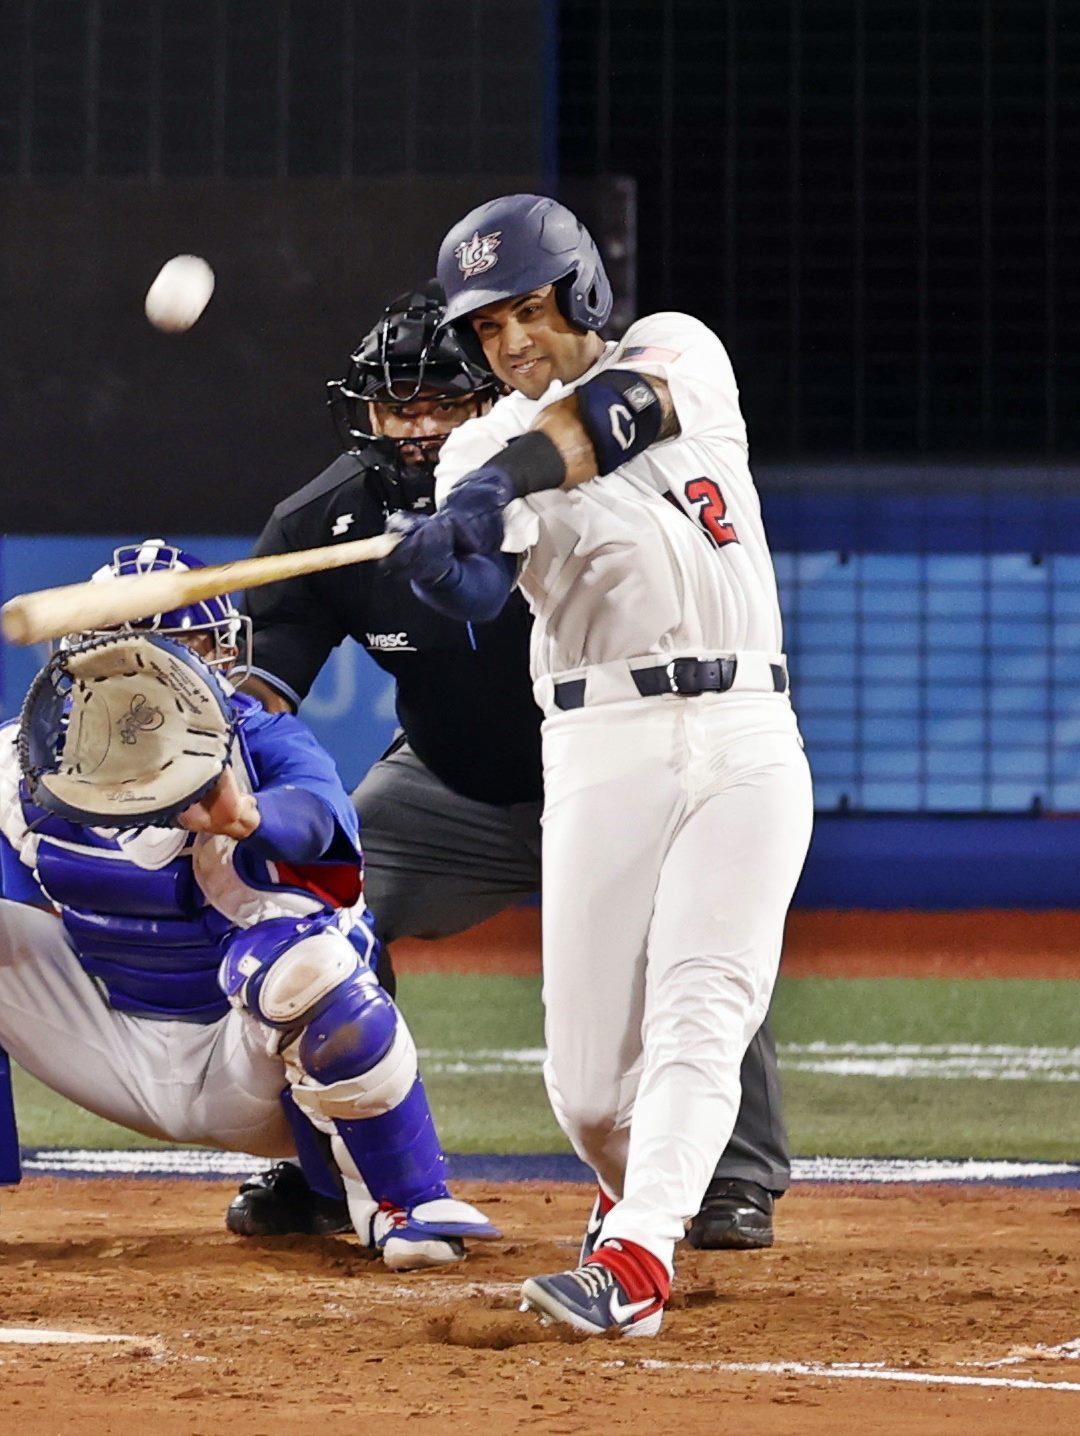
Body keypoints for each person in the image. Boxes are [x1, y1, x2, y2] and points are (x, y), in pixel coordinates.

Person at [226, 283, 795, 1254]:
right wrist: (200, 733)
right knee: (314, 906)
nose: (416, 425)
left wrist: (469, 529)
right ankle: (335, 1157)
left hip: (616, 766)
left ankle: (729, 1175)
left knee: (699, 935)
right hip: (449, 786)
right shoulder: (322, 522)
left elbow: (507, 569)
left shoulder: (553, 462)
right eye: (393, 404)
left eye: (440, 401)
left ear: (489, 395)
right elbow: (263, 696)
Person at [0, 541, 498, 1272]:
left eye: (192, 648)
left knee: (301, 968)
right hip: (111, 1043)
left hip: (252, 1066)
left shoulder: (261, 743)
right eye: (157, 650)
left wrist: (244, 816)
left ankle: (405, 1203)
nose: (178, 672)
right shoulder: (16, 763)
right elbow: (33, 916)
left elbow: (318, 824)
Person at [387, 195, 814, 1335]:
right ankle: (634, 1197)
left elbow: (616, 416)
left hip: (746, 730)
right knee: (585, 1088)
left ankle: (636, 1257)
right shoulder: (474, 446)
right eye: (487, 326)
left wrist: (503, 480)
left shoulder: (677, 350)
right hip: (601, 740)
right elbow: (486, 585)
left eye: (528, 309)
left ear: (580, 292)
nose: (512, 341)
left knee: (704, 1001)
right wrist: (450, 566)